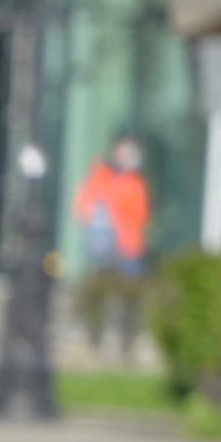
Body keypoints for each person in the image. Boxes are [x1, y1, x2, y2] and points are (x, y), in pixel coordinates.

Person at [74, 135, 150, 354]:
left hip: (128, 246)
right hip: (104, 247)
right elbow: (83, 207)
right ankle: (95, 338)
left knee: (128, 295)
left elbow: (140, 214)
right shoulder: (101, 178)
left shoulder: (134, 183)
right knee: (99, 292)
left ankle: (127, 341)